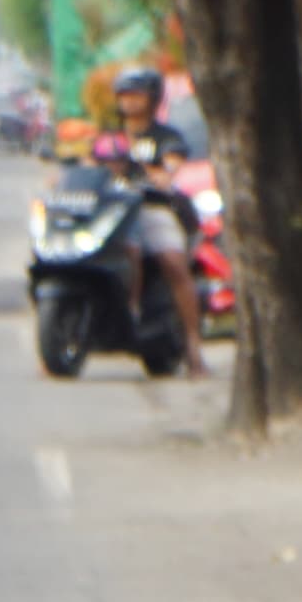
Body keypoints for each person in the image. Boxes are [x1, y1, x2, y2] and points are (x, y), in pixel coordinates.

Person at [96, 65, 209, 373]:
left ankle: (192, 345)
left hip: (151, 208)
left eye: (137, 95)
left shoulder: (165, 136)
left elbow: (170, 167)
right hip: (112, 211)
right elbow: (89, 164)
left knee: (173, 262)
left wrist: (157, 172)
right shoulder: (110, 137)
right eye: (124, 95)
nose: (129, 102)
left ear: (153, 98)